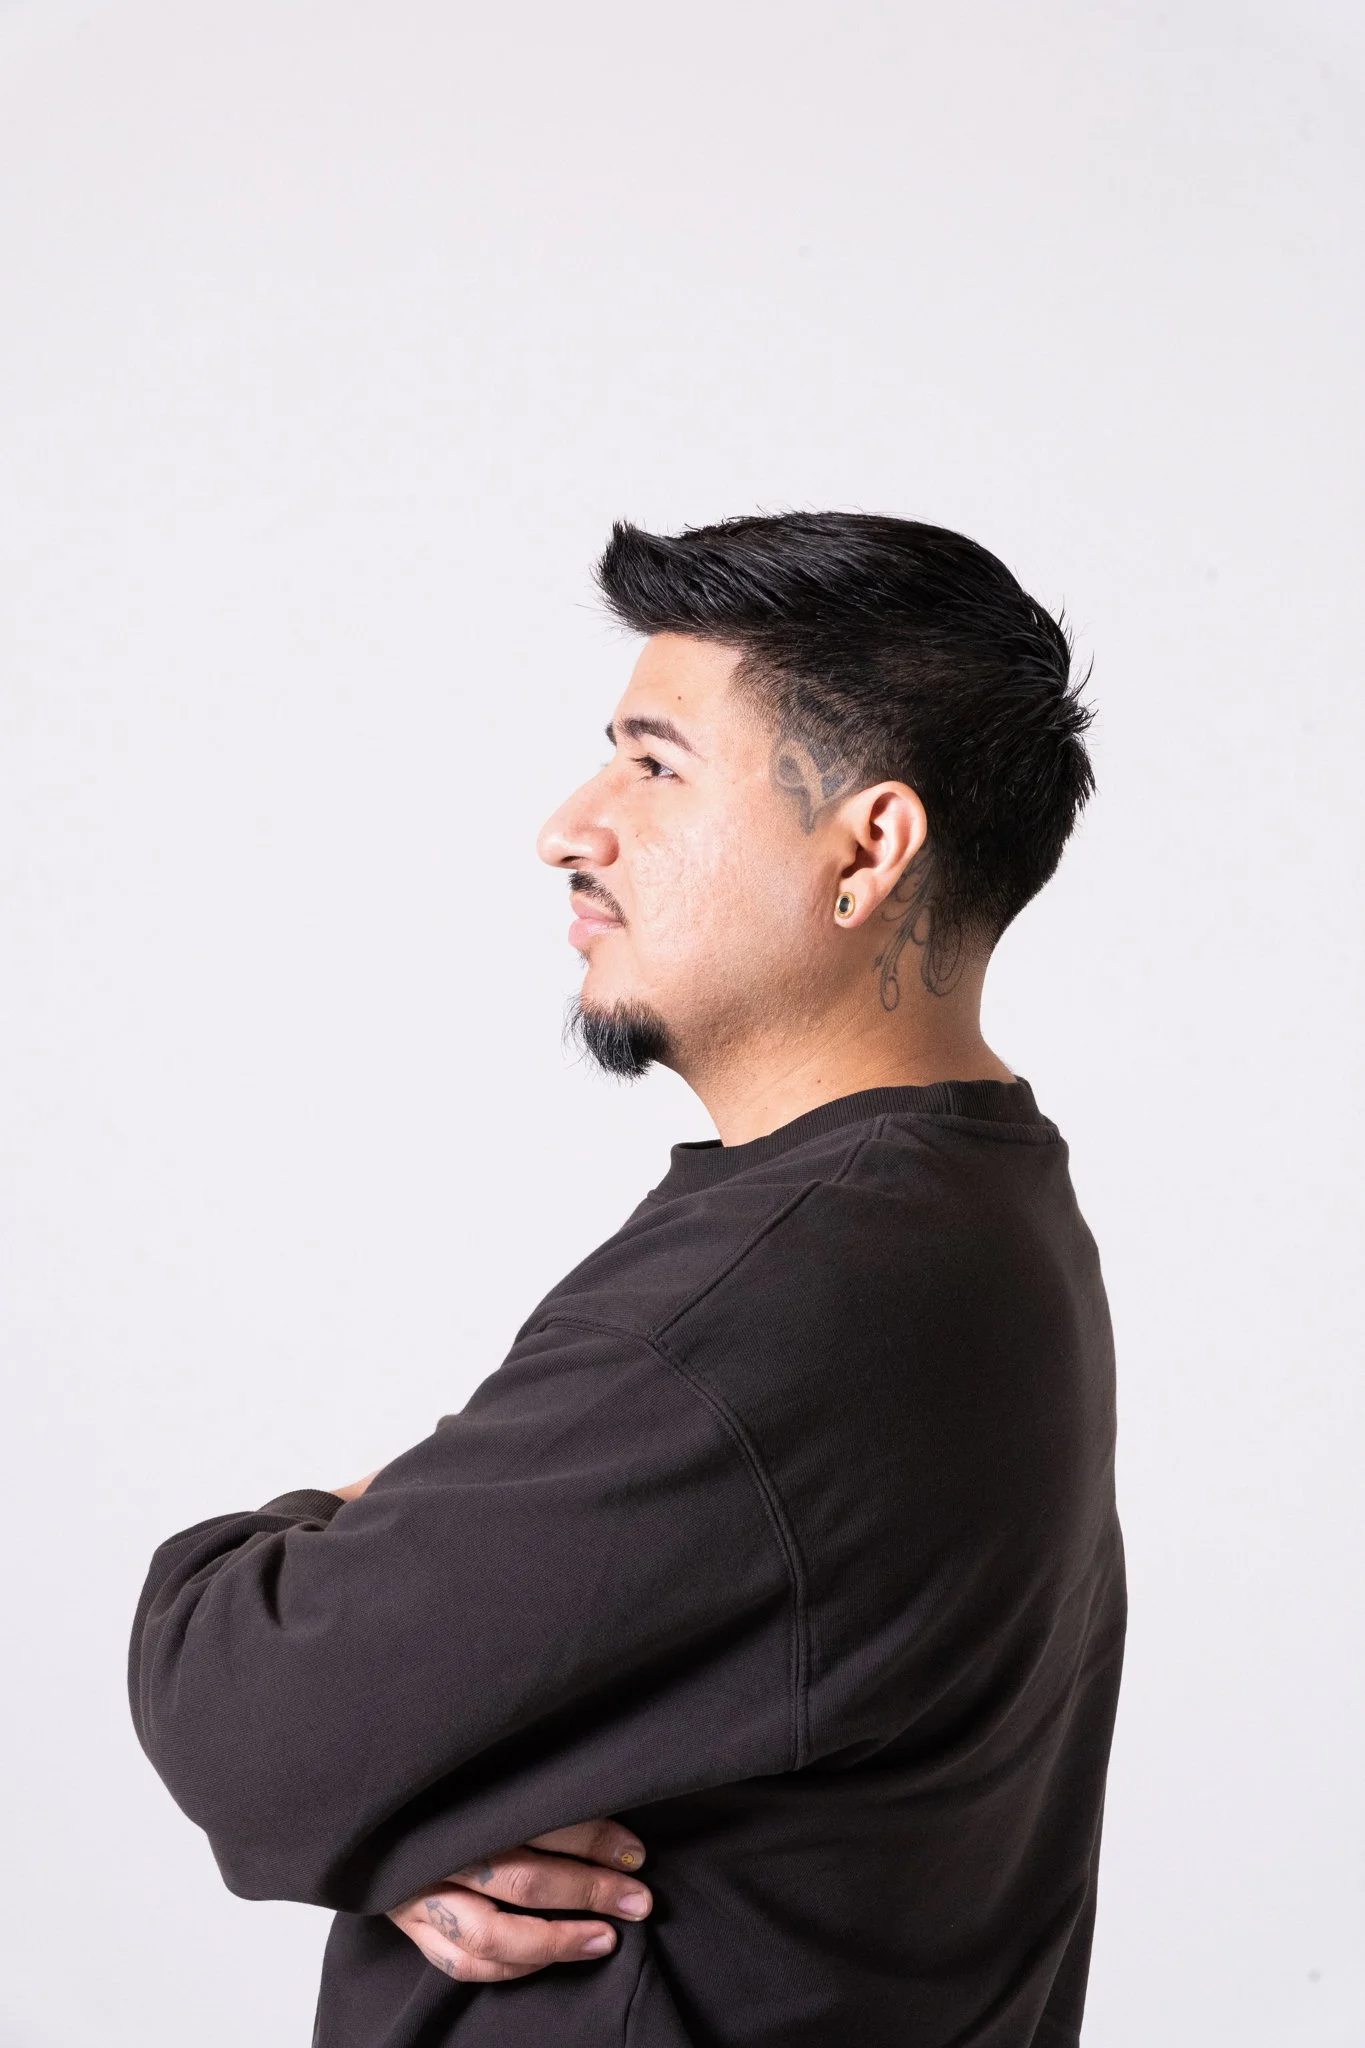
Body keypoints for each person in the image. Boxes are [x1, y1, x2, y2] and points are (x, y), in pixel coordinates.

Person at [129, 512, 1126, 2048]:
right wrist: (398, 1809)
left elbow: (245, 1707)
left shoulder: (781, 1306)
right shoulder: (975, 1207)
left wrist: (308, 1555)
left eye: (655, 767)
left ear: (868, 850)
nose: (570, 827)